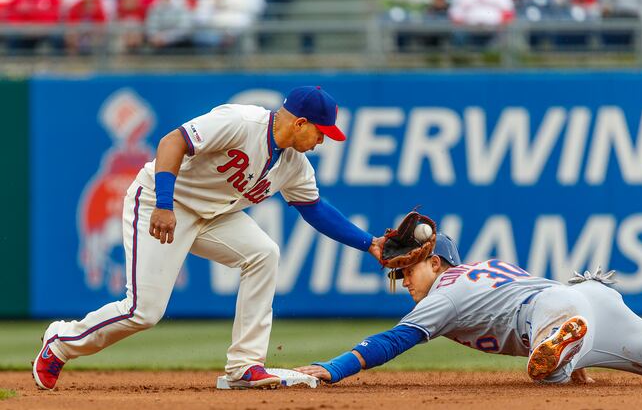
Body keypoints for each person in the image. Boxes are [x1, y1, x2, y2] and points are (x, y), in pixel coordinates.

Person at [33, 86, 386, 391]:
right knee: (144, 312)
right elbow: (173, 141)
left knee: (263, 253)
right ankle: (61, 342)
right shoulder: (241, 122)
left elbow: (315, 209)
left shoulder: (294, 165)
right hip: (160, 204)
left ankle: (244, 367)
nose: (322, 140)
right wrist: (164, 203)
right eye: (320, 132)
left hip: (214, 216)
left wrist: (368, 242)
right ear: (299, 123)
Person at [295, 233, 642, 385]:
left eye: (407, 271)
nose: (404, 282)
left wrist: (332, 369)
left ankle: (561, 346)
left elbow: (395, 340)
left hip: (552, 311)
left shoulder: (445, 293)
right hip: (588, 298)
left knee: (543, 375)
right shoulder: (484, 268)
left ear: (436, 263)